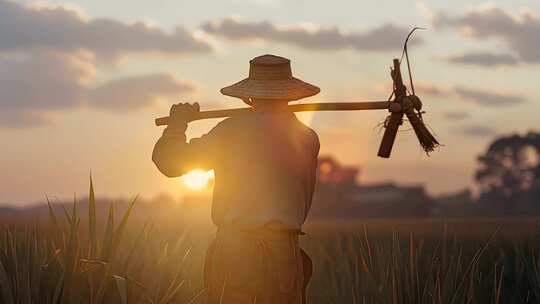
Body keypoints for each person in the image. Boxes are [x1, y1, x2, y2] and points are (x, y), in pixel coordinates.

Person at [152, 54, 320, 304]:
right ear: (290, 94)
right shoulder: (307, 137)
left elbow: (170, 162)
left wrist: (176, 126)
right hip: (285, 257)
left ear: (248, 96)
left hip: (237, 255)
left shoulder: (231, 131)